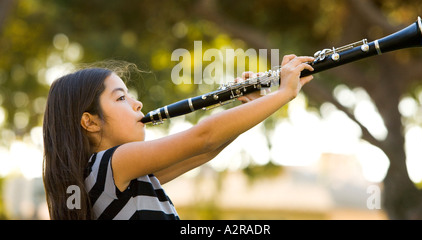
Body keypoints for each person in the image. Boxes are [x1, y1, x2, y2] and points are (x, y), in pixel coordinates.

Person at [42, 55, 314, 220]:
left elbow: (205, 151)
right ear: (90, 122)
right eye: (121, 98)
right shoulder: (113, 164)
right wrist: (283, 94)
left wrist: (247, 107)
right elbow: (203, 137)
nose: (137, 104)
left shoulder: (114, 176)